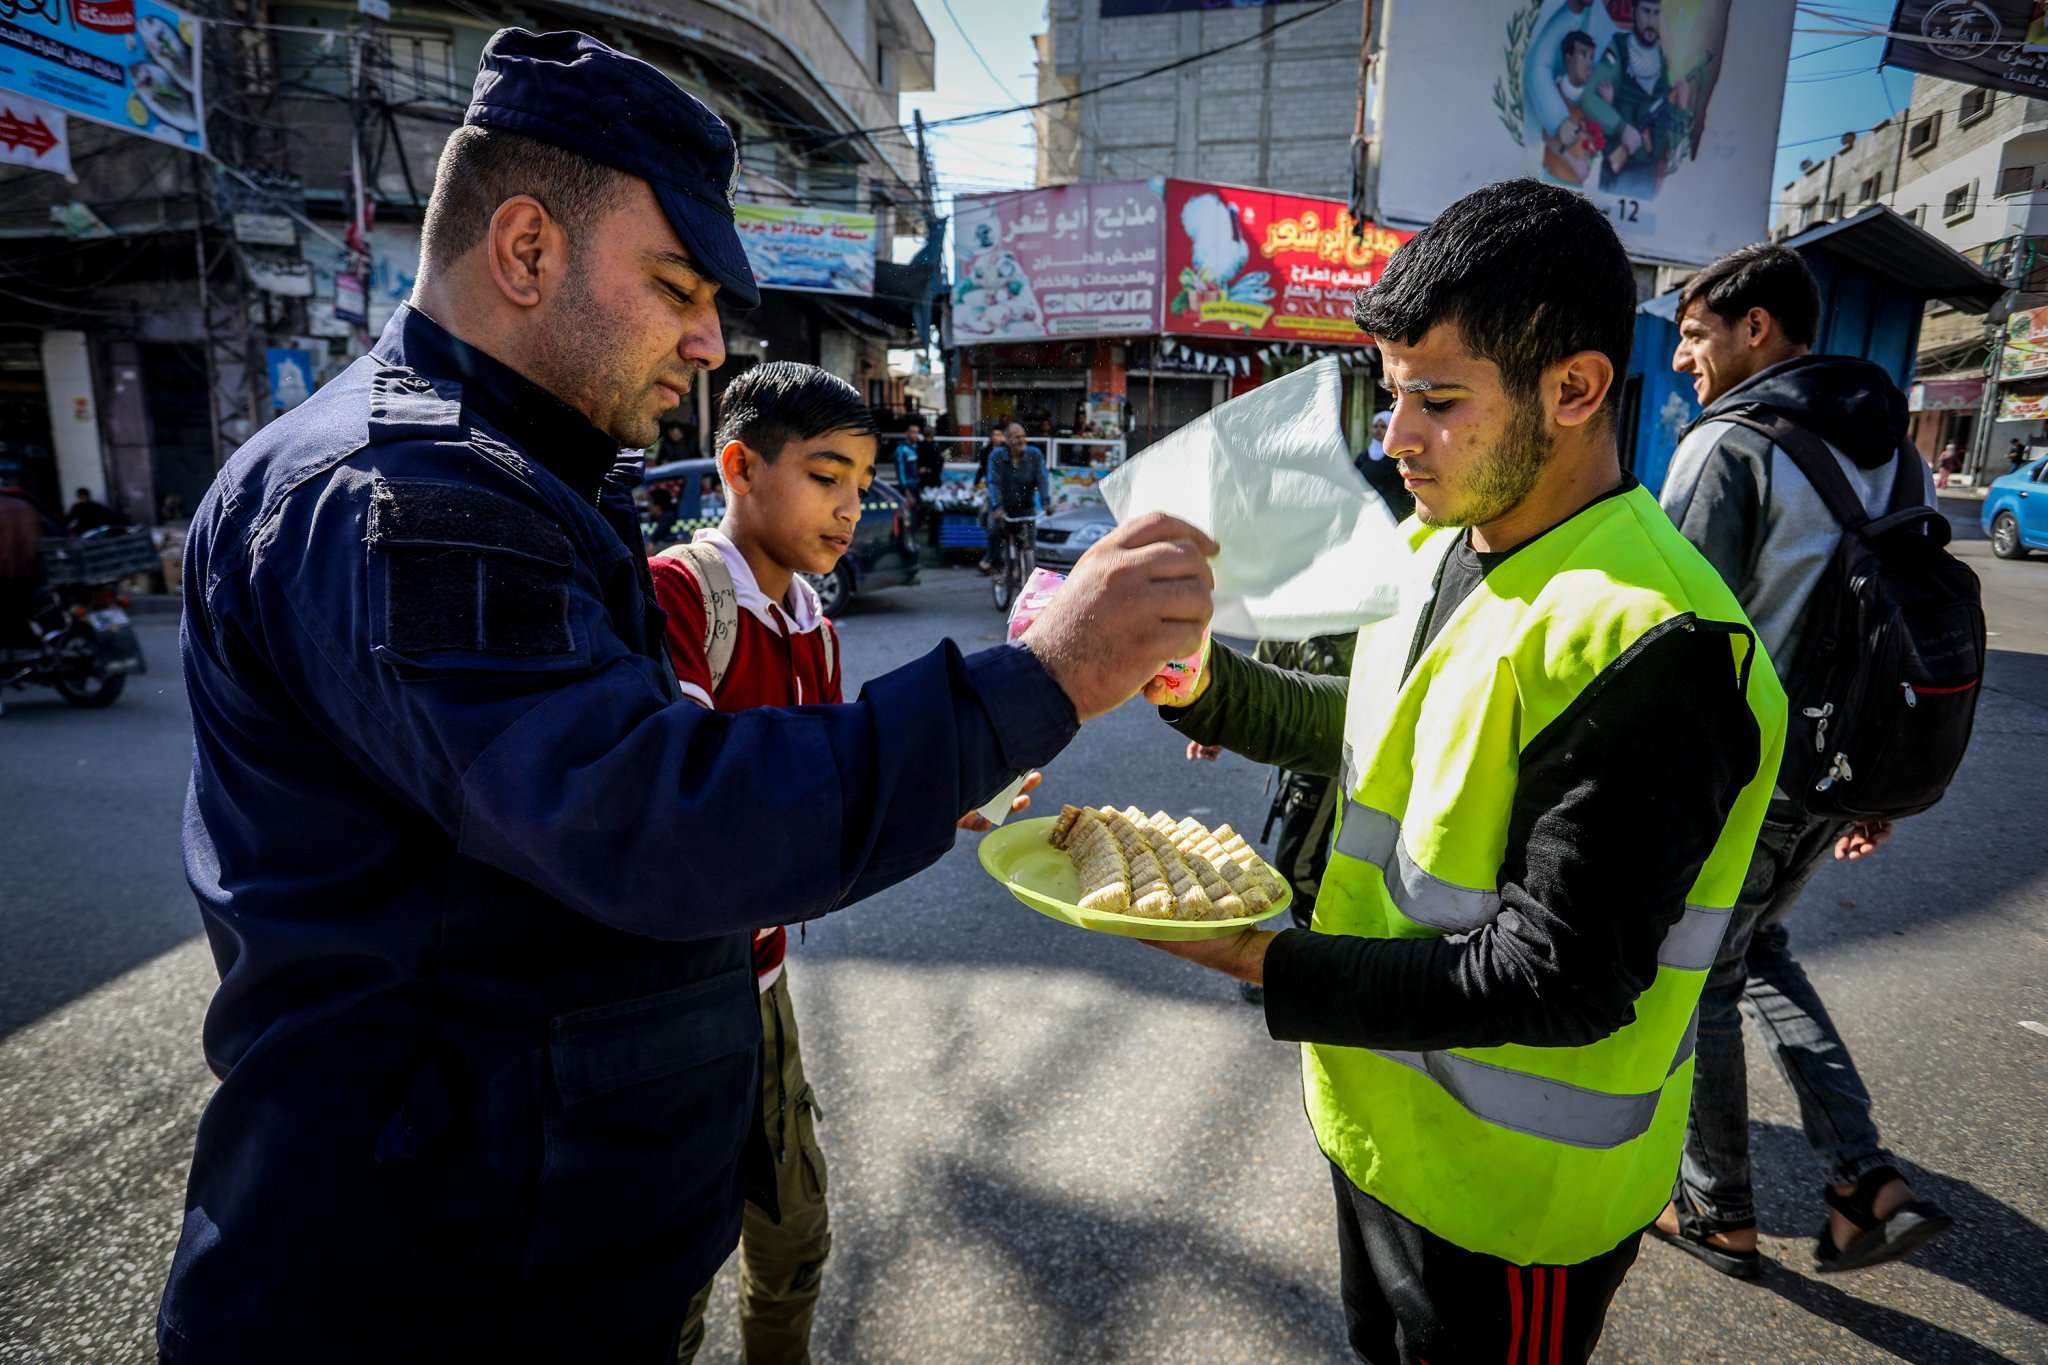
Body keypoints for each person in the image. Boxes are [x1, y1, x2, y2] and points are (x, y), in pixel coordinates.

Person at [159, 29, 1216, 1363]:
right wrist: (1046, 676)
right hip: (428, 1297)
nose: (711, 337)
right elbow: (655, 819)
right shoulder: (409, 502)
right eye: (674, 286)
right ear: (528, 249)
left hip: (526, 1258)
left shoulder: (514, 472)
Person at [1145, 179, 1786, 1364]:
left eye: (1436, 403)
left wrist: (1263, 961)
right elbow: (1378, 735)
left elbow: (1560, 979)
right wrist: (1199, 685)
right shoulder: (1437, 538)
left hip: (1511, 1206)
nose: (1394, 441)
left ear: (1574, 389)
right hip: (1375, 1128)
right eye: (1390, 398)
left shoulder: (1654, 641)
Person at [655, 363, 1040, 1362]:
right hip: (667, 1008)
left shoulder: (812, 626)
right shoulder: (673, 598)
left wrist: (950, 791)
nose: (850, 508)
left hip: (764, 984)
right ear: (739, 467)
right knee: (669, 1272)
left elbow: (834, 777)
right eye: (827, 476)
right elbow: (693, 812)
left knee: (792, 1239)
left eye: (863, 484)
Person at [1658, 241, 1953, 1278]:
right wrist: (1876, 785)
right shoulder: (1894, 447)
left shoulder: (1729, 444)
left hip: (1746, 778)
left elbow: (1675, 634)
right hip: (1839, 770)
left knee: (1697, 976)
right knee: (1754, 955)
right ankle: (1861, 1180)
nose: (1685, 357)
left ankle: (1716, 1206)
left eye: (1696, 335)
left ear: (1756, 328)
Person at [988, 421, 1052, 576]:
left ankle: (1026, 573)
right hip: (1003, 508)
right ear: (1007, 440)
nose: (1021, 440)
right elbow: (993, 482)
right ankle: (997, 568)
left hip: (1025, 507)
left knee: (1029, 545)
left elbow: (1042, 478)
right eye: (1016, 437)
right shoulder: (996, 456)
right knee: (994, 532)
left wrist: (1046, 502)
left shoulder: (1035, 454)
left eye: (1023, 436)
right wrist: (997, 507)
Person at [893, 420, 923, 488]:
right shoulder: (901, 450)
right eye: (913, 432)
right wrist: (905, 489)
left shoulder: (918, 447)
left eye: (917, 432)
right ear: (907, 433)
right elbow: (900, 471)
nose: (916, 435)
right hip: (908, 486)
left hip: (918, 484)